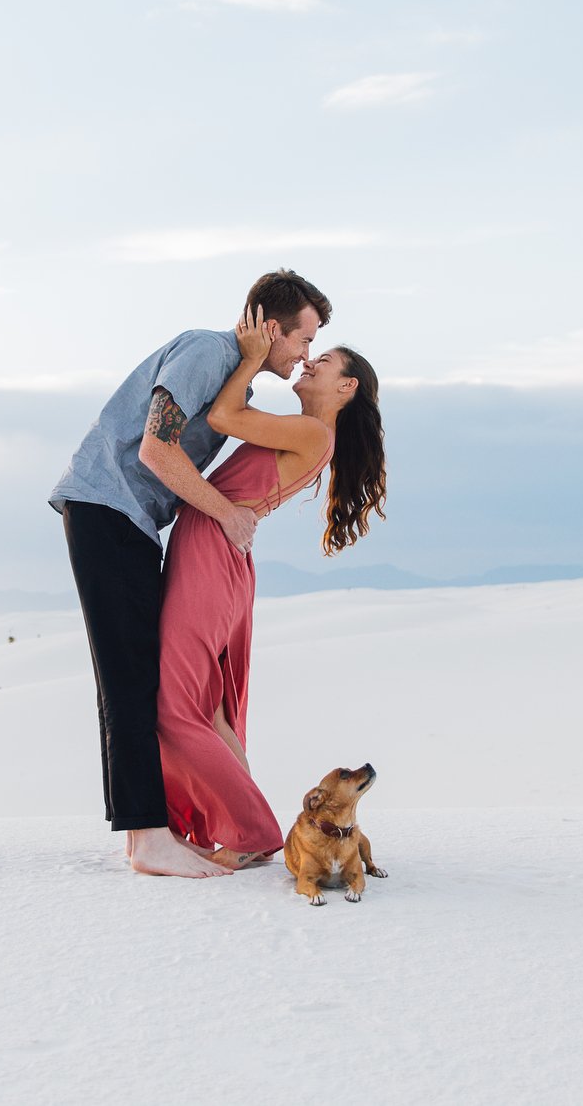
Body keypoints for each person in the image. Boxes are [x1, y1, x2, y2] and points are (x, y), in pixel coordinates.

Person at [51, 270, 331, 877]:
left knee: (136, 680)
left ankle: (147, 835)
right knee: (128, 681)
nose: (305, 355)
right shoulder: (207, 351)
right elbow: (156, 449)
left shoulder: (235, 384)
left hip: (130, 520)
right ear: (270, 327)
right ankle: (147, 839)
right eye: (303, 340)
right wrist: (227, 513)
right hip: (106, 508)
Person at [156, 310, 387, 870]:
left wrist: (255, 358)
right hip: (218, 548)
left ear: (346, 386)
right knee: (207, 706)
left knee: (176, 704)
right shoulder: (310, 432)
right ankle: (248, 826)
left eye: (323, 359)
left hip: (213, 547)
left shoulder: (312, 432)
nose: (309, 360)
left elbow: (222, 414)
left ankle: (253, 829)